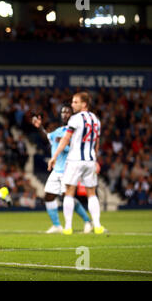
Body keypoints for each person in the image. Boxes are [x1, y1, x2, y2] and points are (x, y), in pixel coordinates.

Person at [48, 92, 105, 235]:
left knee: (69, 192)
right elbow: (96, 143)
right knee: (91, 193)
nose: (72, 105)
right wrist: (95, 159)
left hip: (75, 160)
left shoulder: (75, 119)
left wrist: (54, 156)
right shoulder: (95, 119)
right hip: (90, 160)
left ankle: (68, 227)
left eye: (75, 102)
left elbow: (66, 138)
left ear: (84, 104)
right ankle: (97, 225)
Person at [32, 106, 93, 234]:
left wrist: (66, 143)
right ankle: (57, 225)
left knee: (68, 197)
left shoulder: (76, 132)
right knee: (48, 196)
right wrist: (40, 127)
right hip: (57, 170)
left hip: (69, 169)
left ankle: (88, 221)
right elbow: (47, 136)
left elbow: (79, 148)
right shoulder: (59, 131)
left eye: (67, 112)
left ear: (73, 115)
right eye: (63, 112)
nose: (64, 114)